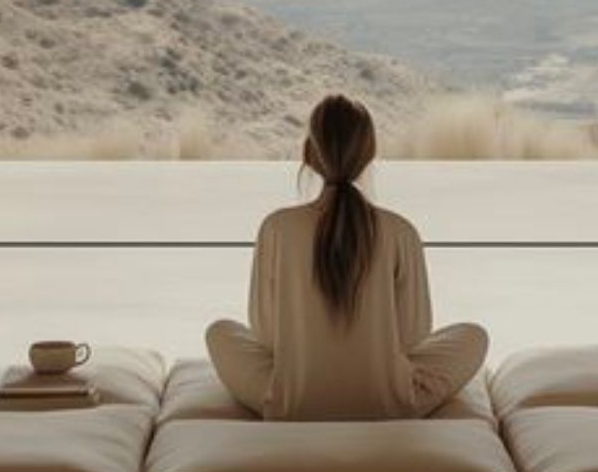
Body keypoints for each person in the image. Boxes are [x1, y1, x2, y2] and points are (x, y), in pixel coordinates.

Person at [205, 94, 488, 420]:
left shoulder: (277, 227)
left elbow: (266, 333)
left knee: (220, 332)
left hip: (291, 401)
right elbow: (413, 335)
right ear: (370, 154)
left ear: (308, 154)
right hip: (390, 401)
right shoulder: (399, 230)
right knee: (473, 336)